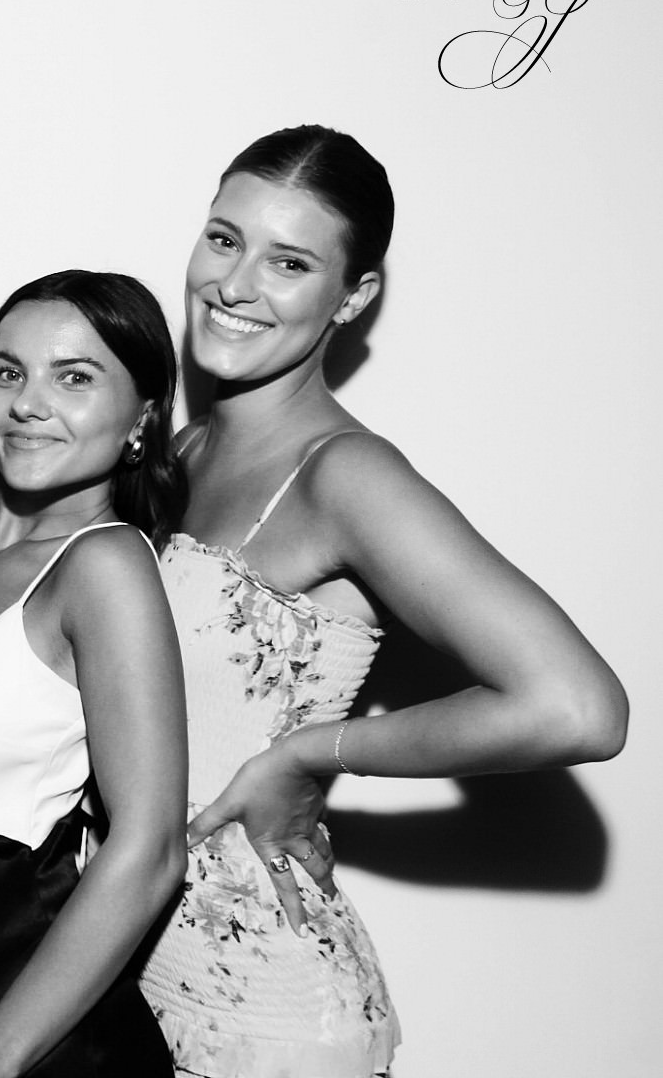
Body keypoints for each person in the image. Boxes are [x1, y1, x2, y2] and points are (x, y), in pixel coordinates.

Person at [136, 125, 629, 1078]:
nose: (236, 285)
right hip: (132, 983)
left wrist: (311, 757)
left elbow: (576, 707)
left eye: (289, 262)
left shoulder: (347, 477)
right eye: (224, 238)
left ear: (351, 298)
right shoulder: (183, 453)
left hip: (268, 1018)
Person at [0, 271, 188, 1078]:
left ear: (143, 418)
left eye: (76, 378)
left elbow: (154, 845)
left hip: (40, 1035)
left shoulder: (105, 565)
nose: (27, 403)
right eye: (9, 371)